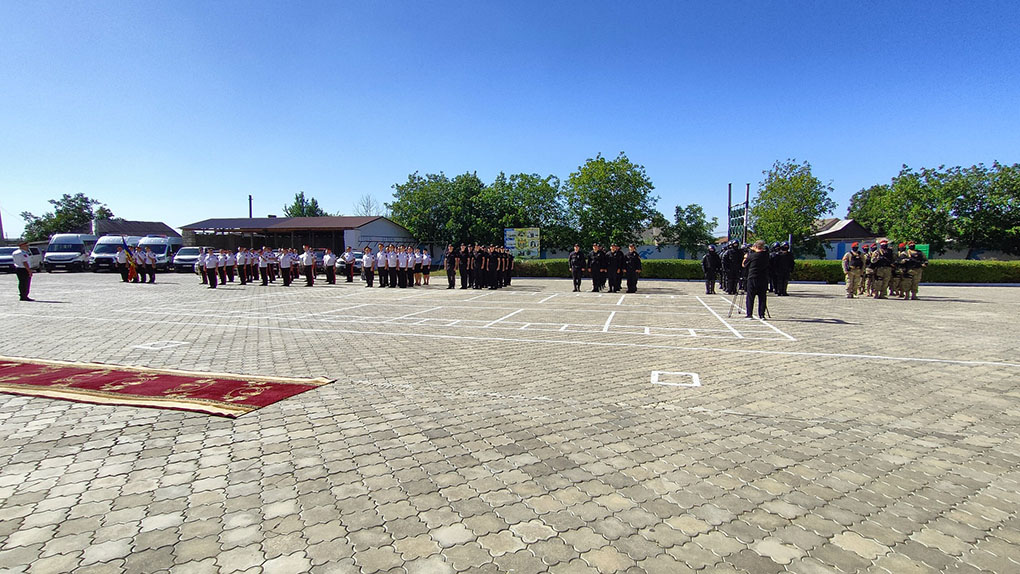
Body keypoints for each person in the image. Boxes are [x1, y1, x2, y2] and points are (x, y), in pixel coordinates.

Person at [742, 240, 770, 319]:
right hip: (763, 278)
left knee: (750, 297)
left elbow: (744, 265)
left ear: (756, 246)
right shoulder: (766, 255)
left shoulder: (752, 256)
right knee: (762, 297)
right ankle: (762, 315)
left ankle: (749, 314)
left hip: (753, 278)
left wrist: (745, 257)